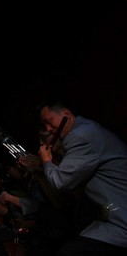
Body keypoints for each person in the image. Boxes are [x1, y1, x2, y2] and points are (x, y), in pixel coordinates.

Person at [20, 99, 127, 255]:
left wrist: (46, 161)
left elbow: (60, 183)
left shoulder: (81, 135)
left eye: (49, 122)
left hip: (121, 218)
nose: (49, 129)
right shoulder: (87, 130)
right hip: (110, 215)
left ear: (67, 114)